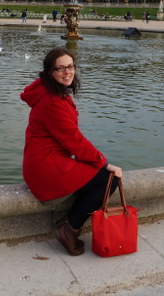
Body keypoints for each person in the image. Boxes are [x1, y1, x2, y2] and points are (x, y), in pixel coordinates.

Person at [20, 47, 123, 256]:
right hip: (47, 168)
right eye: (60, 68)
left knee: (96, 177)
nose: (67, 72)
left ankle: (69, 223)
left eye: (70, 66)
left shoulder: (50, 92)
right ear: (50, 72)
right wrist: (104, 163)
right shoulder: (52, 102)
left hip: (44, 162)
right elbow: (74, 141)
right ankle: (69, 228)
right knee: (110, 179)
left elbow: (70, 141)